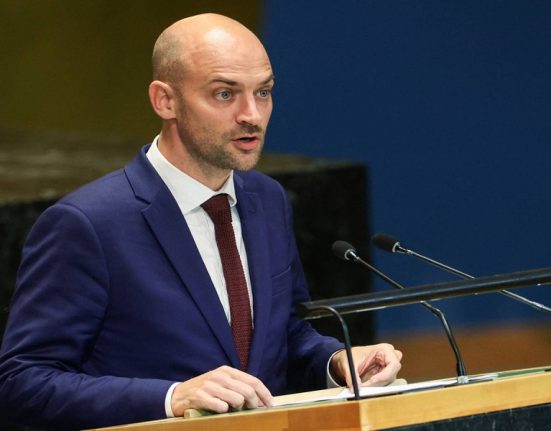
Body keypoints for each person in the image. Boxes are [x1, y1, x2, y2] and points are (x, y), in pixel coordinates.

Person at [0, 13, 402, 430]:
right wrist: (171, 398)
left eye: (263, 92)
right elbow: (21, 383)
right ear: (164, 100)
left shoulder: (267, 200)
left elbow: (283, 335)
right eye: (225, 94)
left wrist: (336, 361)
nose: (252, 114)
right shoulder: (88, 224)